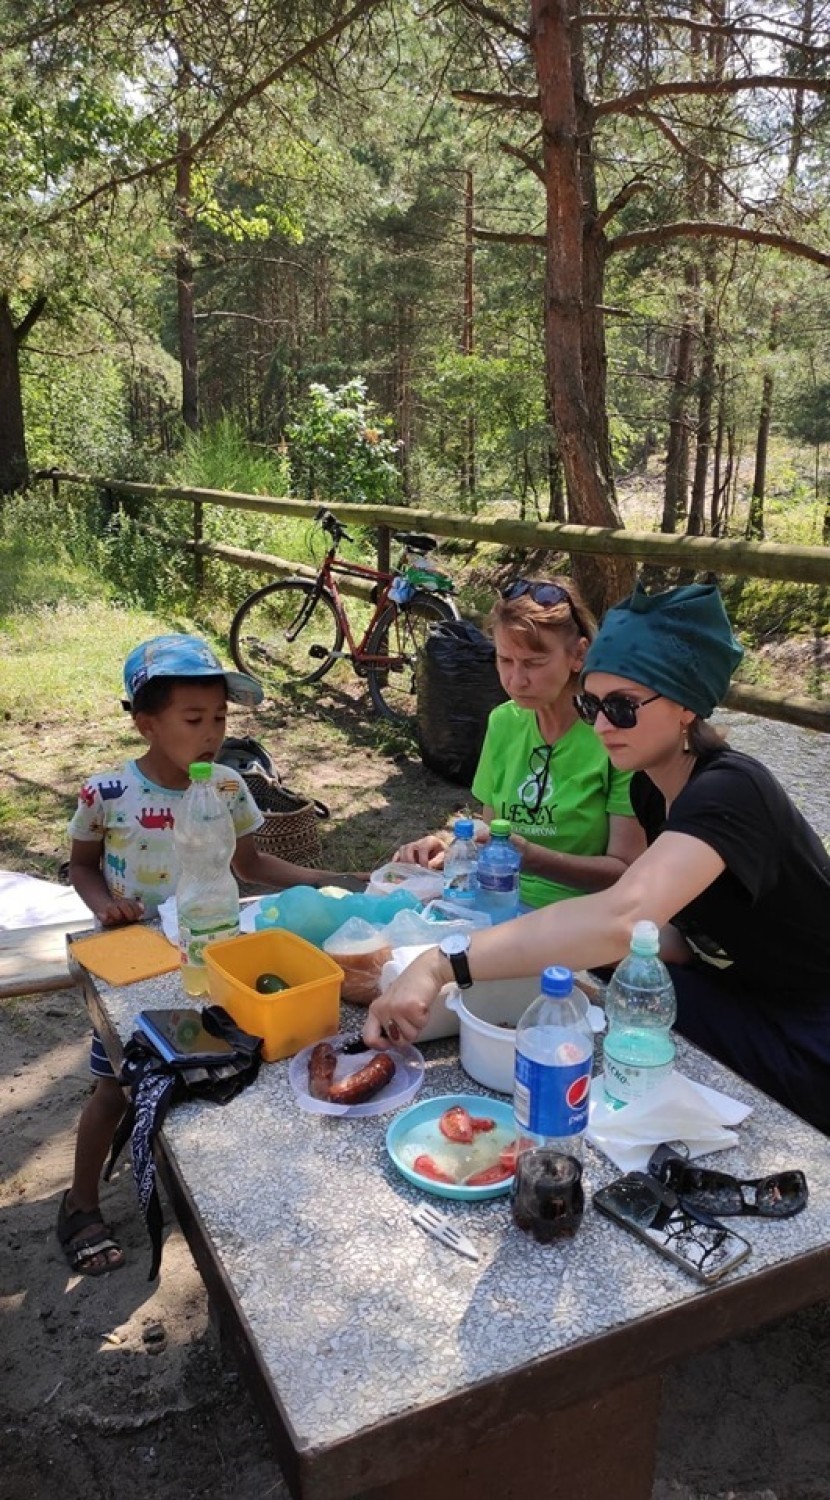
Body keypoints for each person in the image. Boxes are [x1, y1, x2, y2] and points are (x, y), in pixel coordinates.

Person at [365, 582, 830, 1136]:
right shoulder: (651, 790)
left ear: (685, 706)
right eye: (592, 703)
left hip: (808, 1024)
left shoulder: (731, 791)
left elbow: (622, 915)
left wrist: (444, 961)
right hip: (735, 991)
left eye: (622, 706)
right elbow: (671, 936)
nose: (602, 724)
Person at [59, 633, 362, 1277]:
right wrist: (102, 906)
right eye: (194, 719)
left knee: (221, 1071)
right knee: (117, 1083)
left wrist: (324, 880)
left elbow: (248, 864)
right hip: (136, 959)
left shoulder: (227, 786)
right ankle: (80, 1203)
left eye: (220, 718)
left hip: (214, 955)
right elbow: (80, 867)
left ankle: (218, 1206)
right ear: (146, 722)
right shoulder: (106, 792)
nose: (212, 732)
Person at [393, 577, 645, 907]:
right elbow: (493, 831)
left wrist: (533, 858)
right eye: (504, 660)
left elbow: (627, 871)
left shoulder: (613, 735)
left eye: (534, 663)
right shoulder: (504, 722)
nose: (515, 680)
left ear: (578, 655)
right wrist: (452, 850)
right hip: (494, 900)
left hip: (578, 915)